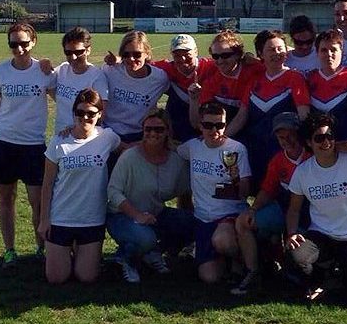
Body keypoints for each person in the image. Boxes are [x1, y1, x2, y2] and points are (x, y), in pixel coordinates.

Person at [286, 112, 347, 307]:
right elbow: (293, 209)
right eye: (319, 138)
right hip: (321, 236)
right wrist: (291, 233)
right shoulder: (303, 171)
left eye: (330, 136)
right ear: (309, 142)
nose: (326, 142)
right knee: (295, 257)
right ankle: (323, 278)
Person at [0, 22, 56, 268]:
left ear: (33, 42)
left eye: (24, 43)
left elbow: (63, 98)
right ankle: (10, 250)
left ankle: (40, 248)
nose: (19, 48)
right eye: (14, 44)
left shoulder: (44, 71)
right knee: (5, 197)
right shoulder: (0, 71)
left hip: (33, 146)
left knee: (37, 200)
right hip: (3, 142)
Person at [39, 88, 120, 283]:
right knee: (56, 279)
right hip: (61, 218)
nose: (85, 117)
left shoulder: (107, 137)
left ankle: (81, 253)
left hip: (92, 219)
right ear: (73, 113)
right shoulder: (59, 141)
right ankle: (66, 252)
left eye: (91, 113)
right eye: (80, 112)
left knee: (87, 277)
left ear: (100, 114)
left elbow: (130, 151)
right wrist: (44, 220)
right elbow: (47, 184)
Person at [106, 109, 194, 283]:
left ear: (168, 131)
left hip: (155, 214)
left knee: (193, 222)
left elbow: (186, 188)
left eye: (159, 129)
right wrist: (137, 215)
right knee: (145, 238)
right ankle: (125, 259)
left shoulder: (175, 161)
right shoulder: (129, 157)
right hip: (122, 216)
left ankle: (153, 252)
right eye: (148, 129)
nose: (153, 133)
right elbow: (113, 192)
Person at [232, 112, 312, 295]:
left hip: (310, 217)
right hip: (282, 209)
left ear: (299, 133)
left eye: (291, 134)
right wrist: (253, 209)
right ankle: (253, 272)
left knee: (298, 254)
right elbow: (268, 190)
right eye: (281, 137)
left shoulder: (313, 156)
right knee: (243, 221)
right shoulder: (278, 160)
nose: (286, 140)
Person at [177, 102, 252, 283]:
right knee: (209, 278)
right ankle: (222, 260)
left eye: (220, 125)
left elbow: (245, 192)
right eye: (208, 125)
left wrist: (235, 179)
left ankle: (241, 261)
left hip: (229, 215)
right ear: (200, 126)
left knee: (223, 241)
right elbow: (173, 148)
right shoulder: (192, 147)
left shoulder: (236, 149)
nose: (214, 130)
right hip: (203, 218)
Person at [239, 30, 310, 189]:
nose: (277, 53)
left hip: (284, 150)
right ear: (260, 54)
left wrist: (306, 145)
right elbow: (241, 116)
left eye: (280, 48)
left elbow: (304, 113)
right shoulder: (254, 80)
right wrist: (221, 137)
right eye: (271, 49)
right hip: (256, 150)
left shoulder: (295, 77)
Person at [102, 31, 170, 160]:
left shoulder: (160, 78)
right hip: (109, 136)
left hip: (140, 138)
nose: (131, 59)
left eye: (137, 54)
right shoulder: (110, 70)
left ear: (147, 54)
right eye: (126, 54)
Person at [192, 30, 264, 137]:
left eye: (225, 55)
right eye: (215, 56)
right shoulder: (211, 74)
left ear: (238, 54)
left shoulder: (255, 70)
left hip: (253, 127)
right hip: (223, 130)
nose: (220, 60)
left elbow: (242, 115)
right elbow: (199, 122)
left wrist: (221, 141)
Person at [306, 29, 347, 145]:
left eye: (333, 50)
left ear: (341, 51)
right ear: (317, 53)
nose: (329, 54)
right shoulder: (310, 79)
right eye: (324, 50)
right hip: (320, 150)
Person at [50, 27, 109, 134]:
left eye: (78, 52)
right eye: (68, 52)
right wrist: (44, 63)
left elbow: (101, 115)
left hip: (82, 138)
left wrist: (77, 130)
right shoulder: (63, 69)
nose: (73, 57)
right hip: (60, 135)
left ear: (88, 50)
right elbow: (47, 84)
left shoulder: (97, 77)